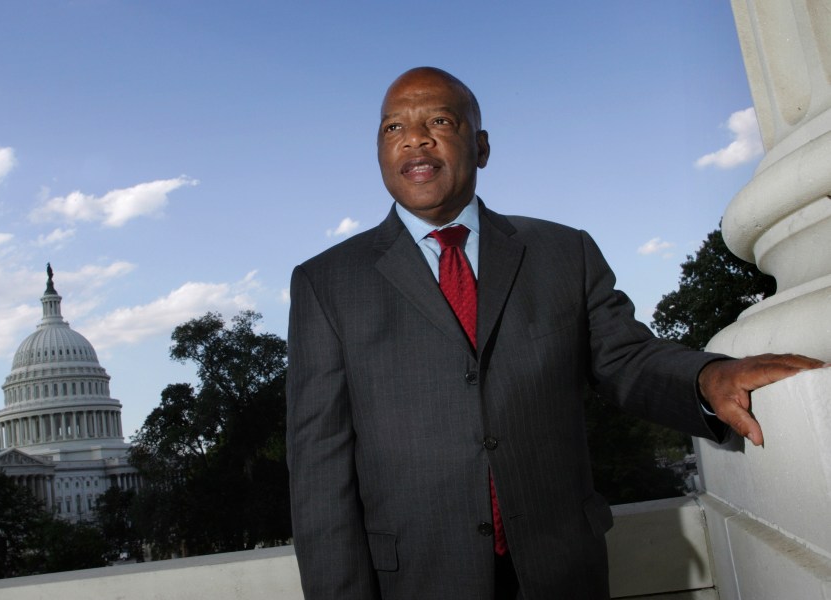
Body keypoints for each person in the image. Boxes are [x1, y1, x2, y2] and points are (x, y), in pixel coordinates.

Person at [285, 66, 824, 600]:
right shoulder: (326, 283)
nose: (415, 139)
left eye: (440, 121)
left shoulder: (565, 253)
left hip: (561, 569)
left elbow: (626, 359)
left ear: (482, 145)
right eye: (392, 127)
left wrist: (707, 377)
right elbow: (319, 468)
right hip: (416, 579)